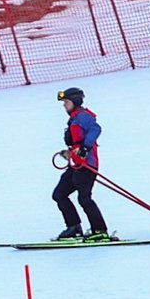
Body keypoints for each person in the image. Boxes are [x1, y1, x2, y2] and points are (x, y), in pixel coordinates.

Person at [52, 87, 111, 241]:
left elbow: (96, 129)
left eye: (66, 102)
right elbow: (77, 142)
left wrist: (85, 147)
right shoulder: (74, 118)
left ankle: (100, 230)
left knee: (84, 198)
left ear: (75, 102)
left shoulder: (83, 116)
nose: (64, 105)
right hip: (76, 165)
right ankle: (74, 227)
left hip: (87, 166)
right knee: (59, 194)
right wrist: (69, 153)